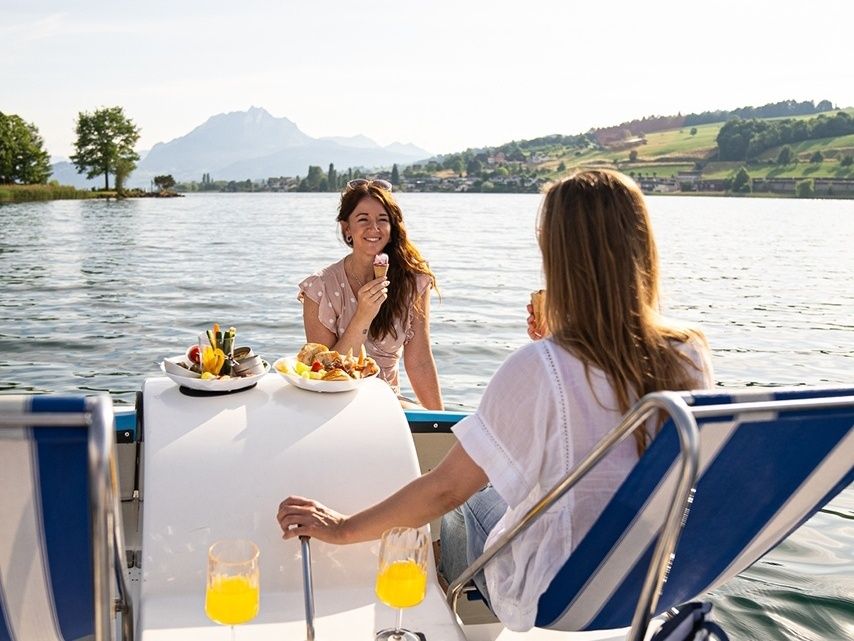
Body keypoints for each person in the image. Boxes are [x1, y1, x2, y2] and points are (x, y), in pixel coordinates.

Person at [277, 169, 714, 631]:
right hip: (647, 579)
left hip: (555, 593)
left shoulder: (538, 366)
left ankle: (430, 616)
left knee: (461, 497)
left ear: (560, 252)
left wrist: (342, 528)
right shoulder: (690, 354)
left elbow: (446, 490)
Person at [298, 178, 443, 410]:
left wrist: (440, 423)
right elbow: (323, 373)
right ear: (347, 228)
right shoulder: (319, 288)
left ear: (391, 227)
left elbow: (420, 362)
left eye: (382, 220)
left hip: (388, 403)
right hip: (333, 404)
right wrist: (363, 316)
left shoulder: (413, 283)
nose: (374, 228)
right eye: (363, 219)